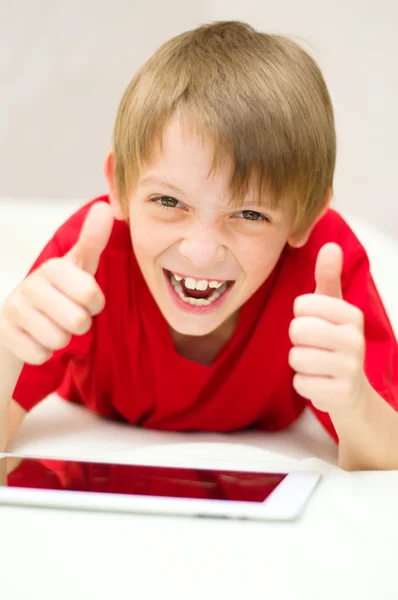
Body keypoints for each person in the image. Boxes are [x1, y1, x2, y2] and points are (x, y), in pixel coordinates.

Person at [1, 21, 397, 470]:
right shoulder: (89, 252)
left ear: (306, 217)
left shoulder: (326, 266)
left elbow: (386, 464)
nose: (201, 251)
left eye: (250, 214)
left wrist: (355, 402)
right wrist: (6, 350)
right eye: (168, 201)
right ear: (119, 187)